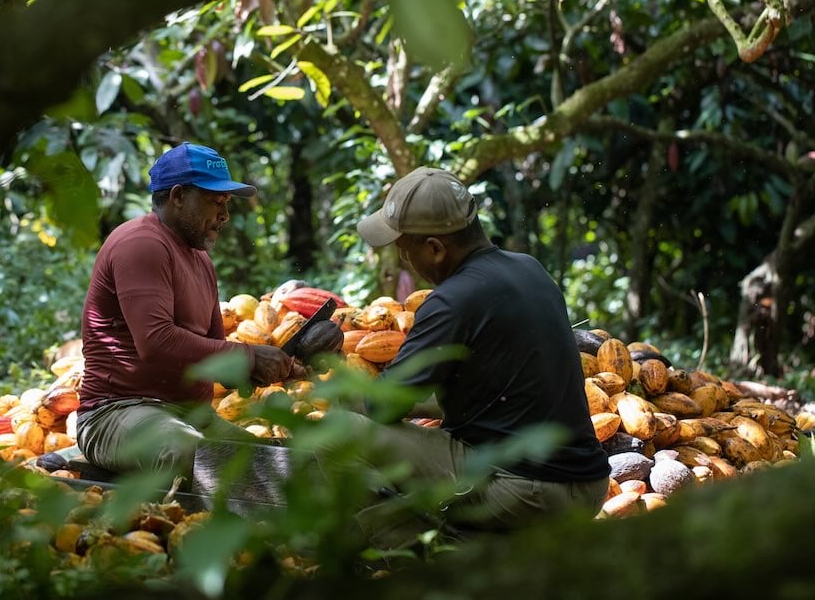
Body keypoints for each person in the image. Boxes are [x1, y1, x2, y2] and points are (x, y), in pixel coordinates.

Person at [330, 166, 609, 545]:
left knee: (337, 430)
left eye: (404, 248)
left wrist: (343, 397)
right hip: (589, 484)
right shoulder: (531, 269)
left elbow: (384, 408)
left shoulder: (452, 301)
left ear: (435, 248)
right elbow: (492, 395)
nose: (403, 258)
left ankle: (451, 551)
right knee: (391, 504)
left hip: (528, 492)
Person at [76, 142, 295, 476]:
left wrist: (272, 368)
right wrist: (249, 356)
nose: (224, 215)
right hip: (116, 412)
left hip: (190, 415)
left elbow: (213, 357)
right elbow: (156, 342)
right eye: (214, 202)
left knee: (273, 466)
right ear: (178, 196)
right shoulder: (141, 243)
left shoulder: (201, 260)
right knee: (193, 455)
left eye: (226, 204)